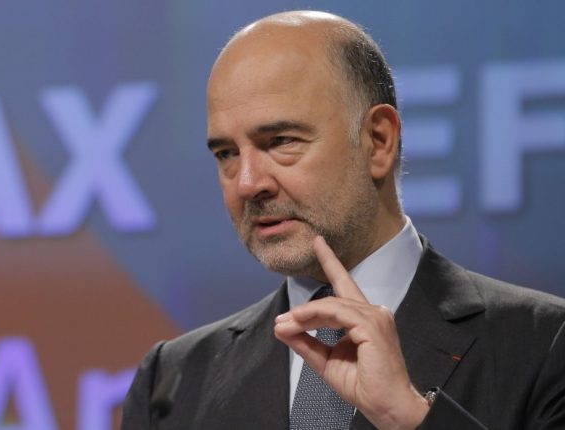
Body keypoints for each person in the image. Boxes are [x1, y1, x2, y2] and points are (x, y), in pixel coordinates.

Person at [122, 10, 565, 430]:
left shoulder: (545, 344)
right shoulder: (173, 378)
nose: (248, 183)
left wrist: (409, 419)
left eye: (281, 141)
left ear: (378, 140)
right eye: (226, 154)